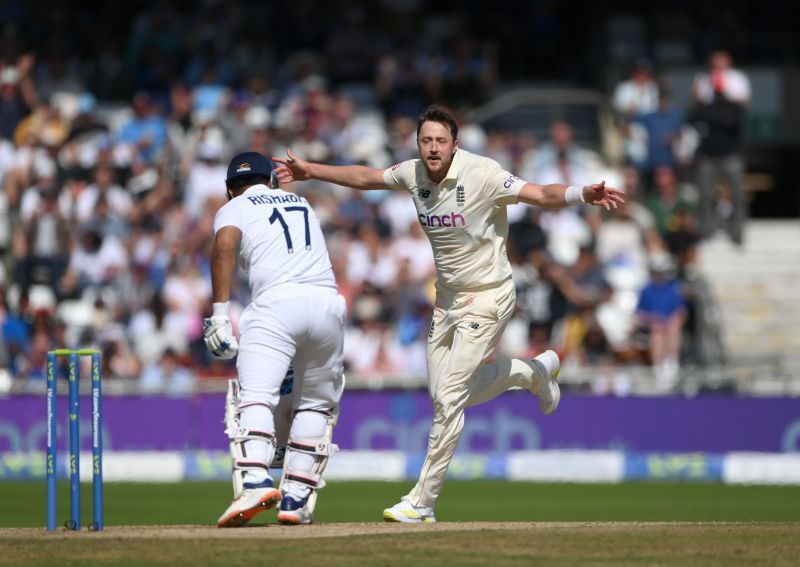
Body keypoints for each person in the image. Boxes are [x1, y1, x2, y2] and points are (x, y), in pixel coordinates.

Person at [273, 105, 624, 523]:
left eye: (441, 141)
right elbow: (367, 178)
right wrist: (311, 170)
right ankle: (532, 373)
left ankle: (423, 501)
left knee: (450, 402)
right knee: (444, 396)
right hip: (448, 300)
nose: (433, 148)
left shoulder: (484, 173)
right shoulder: (413, 173)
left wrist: (581, 194)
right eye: (426, 141)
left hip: (489, 295)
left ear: (455, 144)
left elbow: (540, 194)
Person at [203, 151, 346, 527]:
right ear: (273, 180)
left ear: (229, 190)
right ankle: (296, 498)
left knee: (255, 395)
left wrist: (220, 314)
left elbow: (224, 247)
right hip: (327, 304)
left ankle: (255, 480)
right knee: (315, 403)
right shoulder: (301, 202)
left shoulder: (234, 208)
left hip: (276, 305)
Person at [689, 50, 750, 245]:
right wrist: (697, 98)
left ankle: (737, 231)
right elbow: (693, 117)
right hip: (708, 154)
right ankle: (706, 230)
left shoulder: (733, 107)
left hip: (731, 154)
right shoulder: (705, 104)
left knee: (738, 195)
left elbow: (736, 116)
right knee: (705, 195)